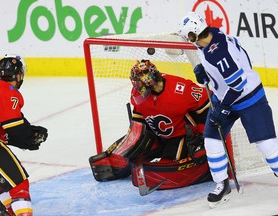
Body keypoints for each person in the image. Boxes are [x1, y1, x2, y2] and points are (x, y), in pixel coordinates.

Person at [178, 12, 278, 208]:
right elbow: (221, 71)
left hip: (249, 98)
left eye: (188, 36)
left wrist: (223, 108)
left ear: (194, 34)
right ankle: (222, 183)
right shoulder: (211, 37)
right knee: (211, 138)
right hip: (225, 97)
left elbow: (238, 84)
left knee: (266, 145)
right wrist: (205, 73)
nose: (188, 41)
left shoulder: (219, 51)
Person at [89, 59, 212, 190]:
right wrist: (133, 141)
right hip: (154, 134)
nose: (136, 87)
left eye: (139, 83)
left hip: (181, 136)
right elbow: (139, 119)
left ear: (150, 80)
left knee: (165, 166)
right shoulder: (138, 92)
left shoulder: (182, 89)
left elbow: (207, 108)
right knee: (128, 154)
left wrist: (205, 139)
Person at [0, 54, 48, 215]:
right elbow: (13, 129)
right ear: (17, 76)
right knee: (19, 184)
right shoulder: (6, 91)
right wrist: (29, 139)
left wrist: (26, 132)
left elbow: (1, 129)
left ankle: (9, 210)